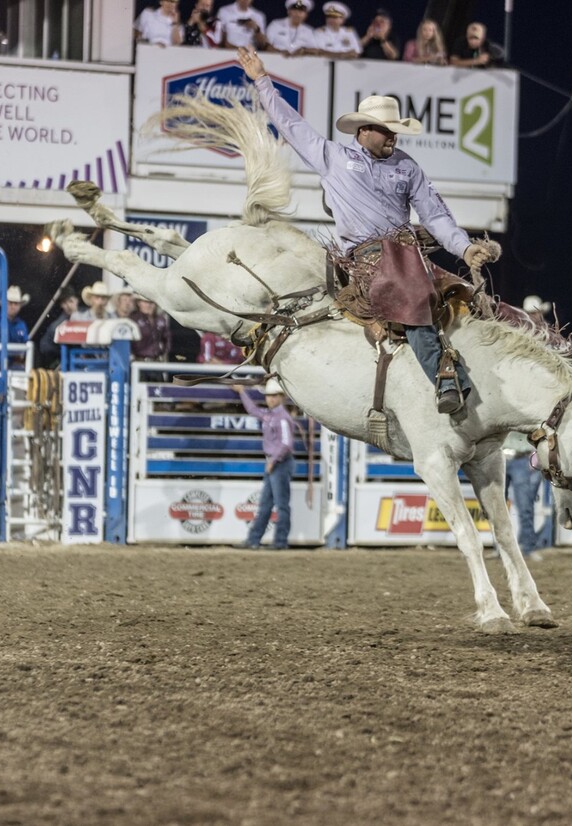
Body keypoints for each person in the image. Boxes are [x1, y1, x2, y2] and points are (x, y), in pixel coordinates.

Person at [237, 46, 498, 414]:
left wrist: (464, 248)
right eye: (386, 130)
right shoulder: (334, 158)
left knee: (469, 298)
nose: (393, 135)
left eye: (395, 130)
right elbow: (291, 125)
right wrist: (262, 80)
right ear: (364, 132)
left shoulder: (407, 167)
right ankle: (447, 382)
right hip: (370, 259)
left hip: (409, 255)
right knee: (412, 300)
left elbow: (435, 214)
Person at [236, 377, 294, 549]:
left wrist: (273, 461)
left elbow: (286, 444)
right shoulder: (271, 416)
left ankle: (279, 541)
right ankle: (255, 540)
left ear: (281, 397)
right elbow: (253, 410)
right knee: (267, 504)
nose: (271, 399)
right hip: (275, 463)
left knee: (279, 504)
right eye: (269, 396)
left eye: (274, 396)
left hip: (279, 463)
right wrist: (242, 392)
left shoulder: (282, 418)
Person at [503, 430, 551, 560]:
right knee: (499, 508)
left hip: (521, 459)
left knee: (525, 507)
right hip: (502, 457)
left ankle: (528, 548)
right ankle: (501, 548)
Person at [38, 286, 79, 367]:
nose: (69, 306)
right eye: (64, 303)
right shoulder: (58, 326)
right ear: (61, 305)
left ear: (77, 301)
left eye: (71, 301)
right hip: (54, 360)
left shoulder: (83, 317)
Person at [130, 295, 172, 362]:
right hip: (139, 361)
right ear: (139, 303)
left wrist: (163, 351)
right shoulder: (134, 319)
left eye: (152, 302)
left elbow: (167, 338)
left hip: (157, 361)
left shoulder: (161, 319)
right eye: (145, 302)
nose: (149, 305)